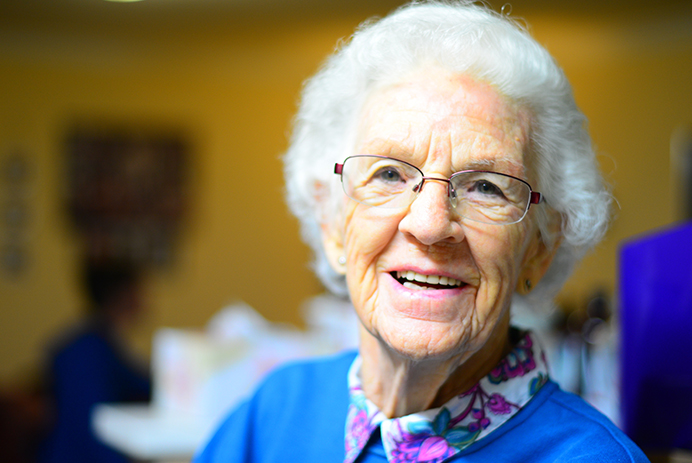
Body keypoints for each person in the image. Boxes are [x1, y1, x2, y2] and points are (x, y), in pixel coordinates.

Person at [195, 1, 649, 461]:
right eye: (389, 174)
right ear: (331, 222)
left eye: (486, 187)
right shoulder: (277, 412)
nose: (430, 225)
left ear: (540, 246)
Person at [39, 263, 151, 463]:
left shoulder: (104, 343)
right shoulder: (86, 351)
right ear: (121, 295)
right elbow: (89, 427)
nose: (145, 301)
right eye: (138, 291)